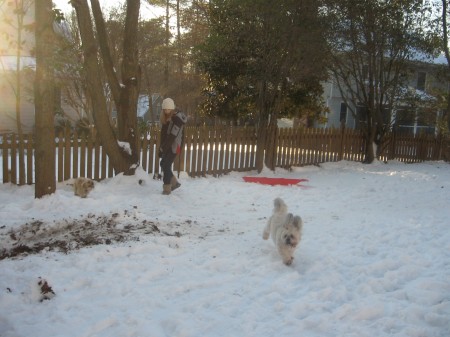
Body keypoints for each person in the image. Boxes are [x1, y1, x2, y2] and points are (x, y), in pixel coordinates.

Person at [159, 98, 187, 195]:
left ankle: (167, 189)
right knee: (163, 163)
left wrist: (164, 148)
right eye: (165, 109)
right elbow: (163, 135)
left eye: (168, 109)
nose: (166, 111)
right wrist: (161, 148)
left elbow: (172, 136)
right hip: (167, 145)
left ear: (172, 108)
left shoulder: (177, 119)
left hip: (175, 145)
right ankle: (174, 183)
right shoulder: (165, 118)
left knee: (166, 165)